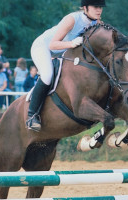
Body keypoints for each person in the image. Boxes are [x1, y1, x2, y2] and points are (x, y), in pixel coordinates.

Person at [26, 0, 106, 131]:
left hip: (62, 52)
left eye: (101, 7)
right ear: (85, 8)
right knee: (47, 75)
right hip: (44, 47)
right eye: (96, 7)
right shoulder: (72, 19)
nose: (99, 10)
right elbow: (52, 45)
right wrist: (71, 43)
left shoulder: (96, 23)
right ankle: (32, 115)